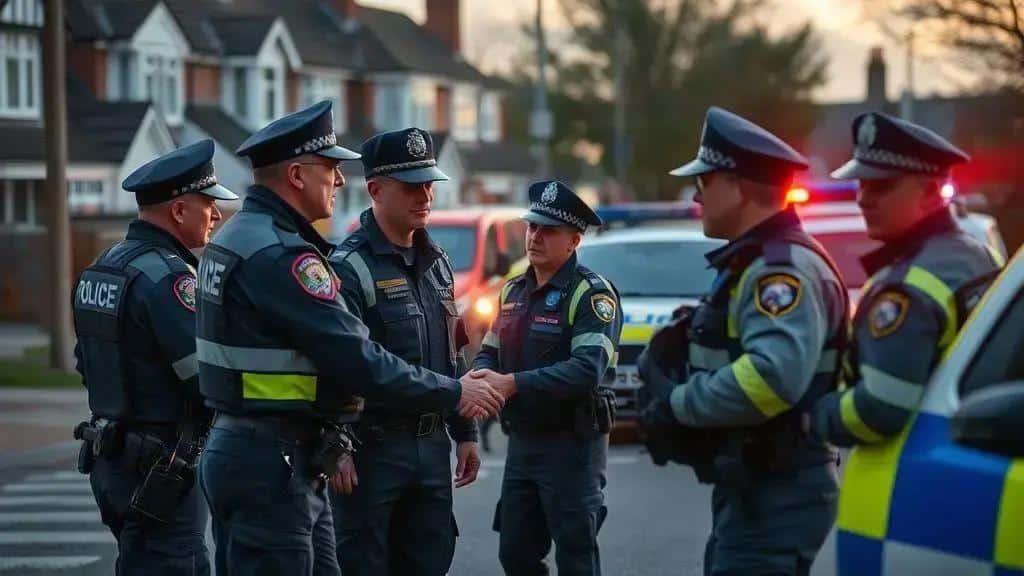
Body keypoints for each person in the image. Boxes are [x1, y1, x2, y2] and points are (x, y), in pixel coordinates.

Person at [194, 101, 504, 576]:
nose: (339, 181)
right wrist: (456, 395)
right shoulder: (284, 255)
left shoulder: (239, 236)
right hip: (276, 457)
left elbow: (446, 346)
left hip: (265, 448)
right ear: (297, 175)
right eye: (330, 169)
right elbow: (357, 360)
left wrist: (460, 423)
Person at [666, 107, 849, 575]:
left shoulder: (778, 272)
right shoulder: (757, 263)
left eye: (705, 183)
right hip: (759, 483)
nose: (696, 195)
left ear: (740, 187)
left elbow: (771, 377)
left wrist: (679, 401)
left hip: (779, 486)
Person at [72, 139, 237, 574]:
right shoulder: (169, 280)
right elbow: (207, 381)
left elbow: (84, 362)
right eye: (208, 204)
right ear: (179, 211)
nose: (216, 215)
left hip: (111, 458)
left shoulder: (103, 267)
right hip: (161, 464)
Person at [327, 127, 480, 575]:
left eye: (429, 184)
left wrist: (466, 434)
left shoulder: (437, 263)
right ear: (375, 189)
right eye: (411, 186)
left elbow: (453, 352)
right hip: (371, 450)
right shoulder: (349, 267)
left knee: (429, 561)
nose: (425, 195)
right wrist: (336, 443)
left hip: (430, 447)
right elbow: (338, 362)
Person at [810, 112, 1001, 445]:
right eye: (861, 183)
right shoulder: (977, 253)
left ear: (930, 193)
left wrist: (814, 415)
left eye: (881, 186)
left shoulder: (905, 288)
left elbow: (880, 409)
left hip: (914, 473)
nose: (862, 198)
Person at [472, 180, 622, 576]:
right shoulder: (513, 291)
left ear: (573, 241)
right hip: (522, 443)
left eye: (548, 231)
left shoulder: (591, 295)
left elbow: (587, 370)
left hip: (572, 447)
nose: (535, 237)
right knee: (516, 554)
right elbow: (490, 349)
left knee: (576, 555)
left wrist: (513, 383)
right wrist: (481, 376)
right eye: (532, 227)